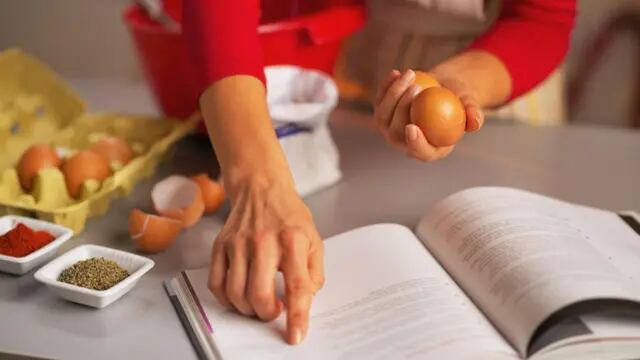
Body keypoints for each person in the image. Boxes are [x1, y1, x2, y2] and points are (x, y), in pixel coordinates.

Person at [182, 0, 576, 345]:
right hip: (368, 64)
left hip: (496, 79)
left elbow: (542, 17)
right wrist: (258, 183)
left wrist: (455, 87)